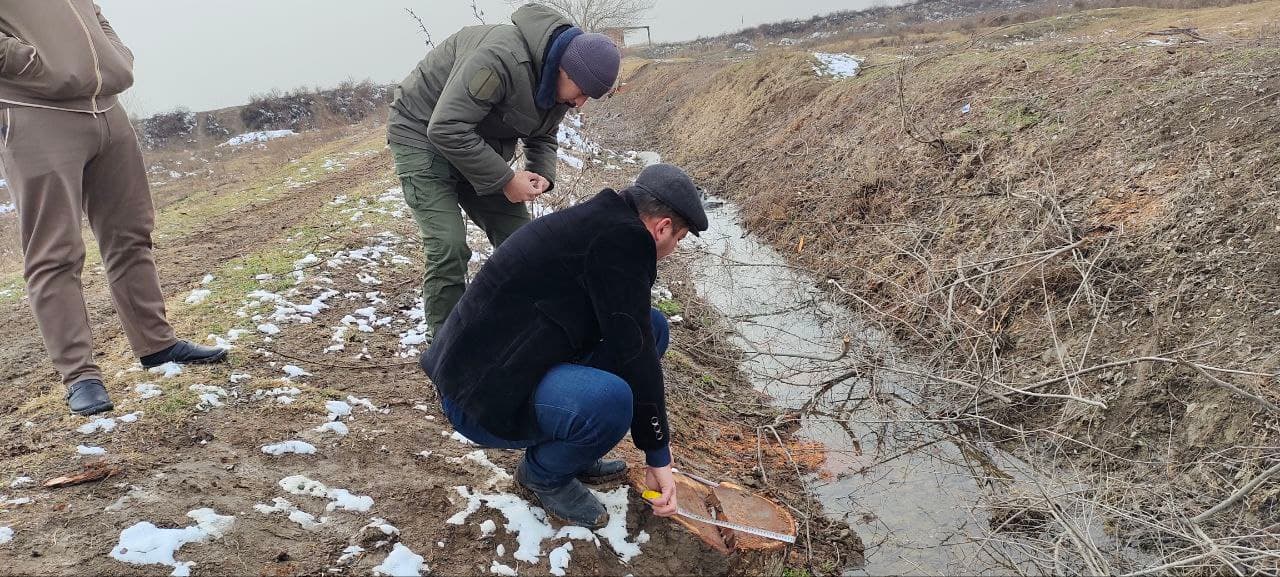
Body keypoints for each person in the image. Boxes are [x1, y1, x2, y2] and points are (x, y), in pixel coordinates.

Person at [421, 163, 709, 528]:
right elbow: (635, 357)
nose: (675, 248)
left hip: (502, 362)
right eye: (679, 239)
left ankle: (575, 450)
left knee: (653, 327)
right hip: (477, 396)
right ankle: (542, 475)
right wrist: (658, 456)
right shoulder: (625, 240)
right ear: (662, 227)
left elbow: (632, 334)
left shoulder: (607, 221)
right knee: (613, 400)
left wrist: (654, 444)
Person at [0, 2, 227, 417]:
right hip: (37, 114)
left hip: (107, 110)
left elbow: (94, 17)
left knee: (131, 233)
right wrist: (35, 63)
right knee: (56, 250)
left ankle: (157, 344)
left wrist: (115, 56)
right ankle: (80, 376)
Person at [387, 3, 621, 338]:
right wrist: (506, 179)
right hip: (422, 133)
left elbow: (544, 133)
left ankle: (533, 330)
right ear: (565, 70)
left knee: (523, 242)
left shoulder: (558, 86)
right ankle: (445, 348)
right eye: (582, 93)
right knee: (448, 244)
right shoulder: (501, 58)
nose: (580, 103)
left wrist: (542, 173)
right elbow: (446, 127)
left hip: (474, 143)